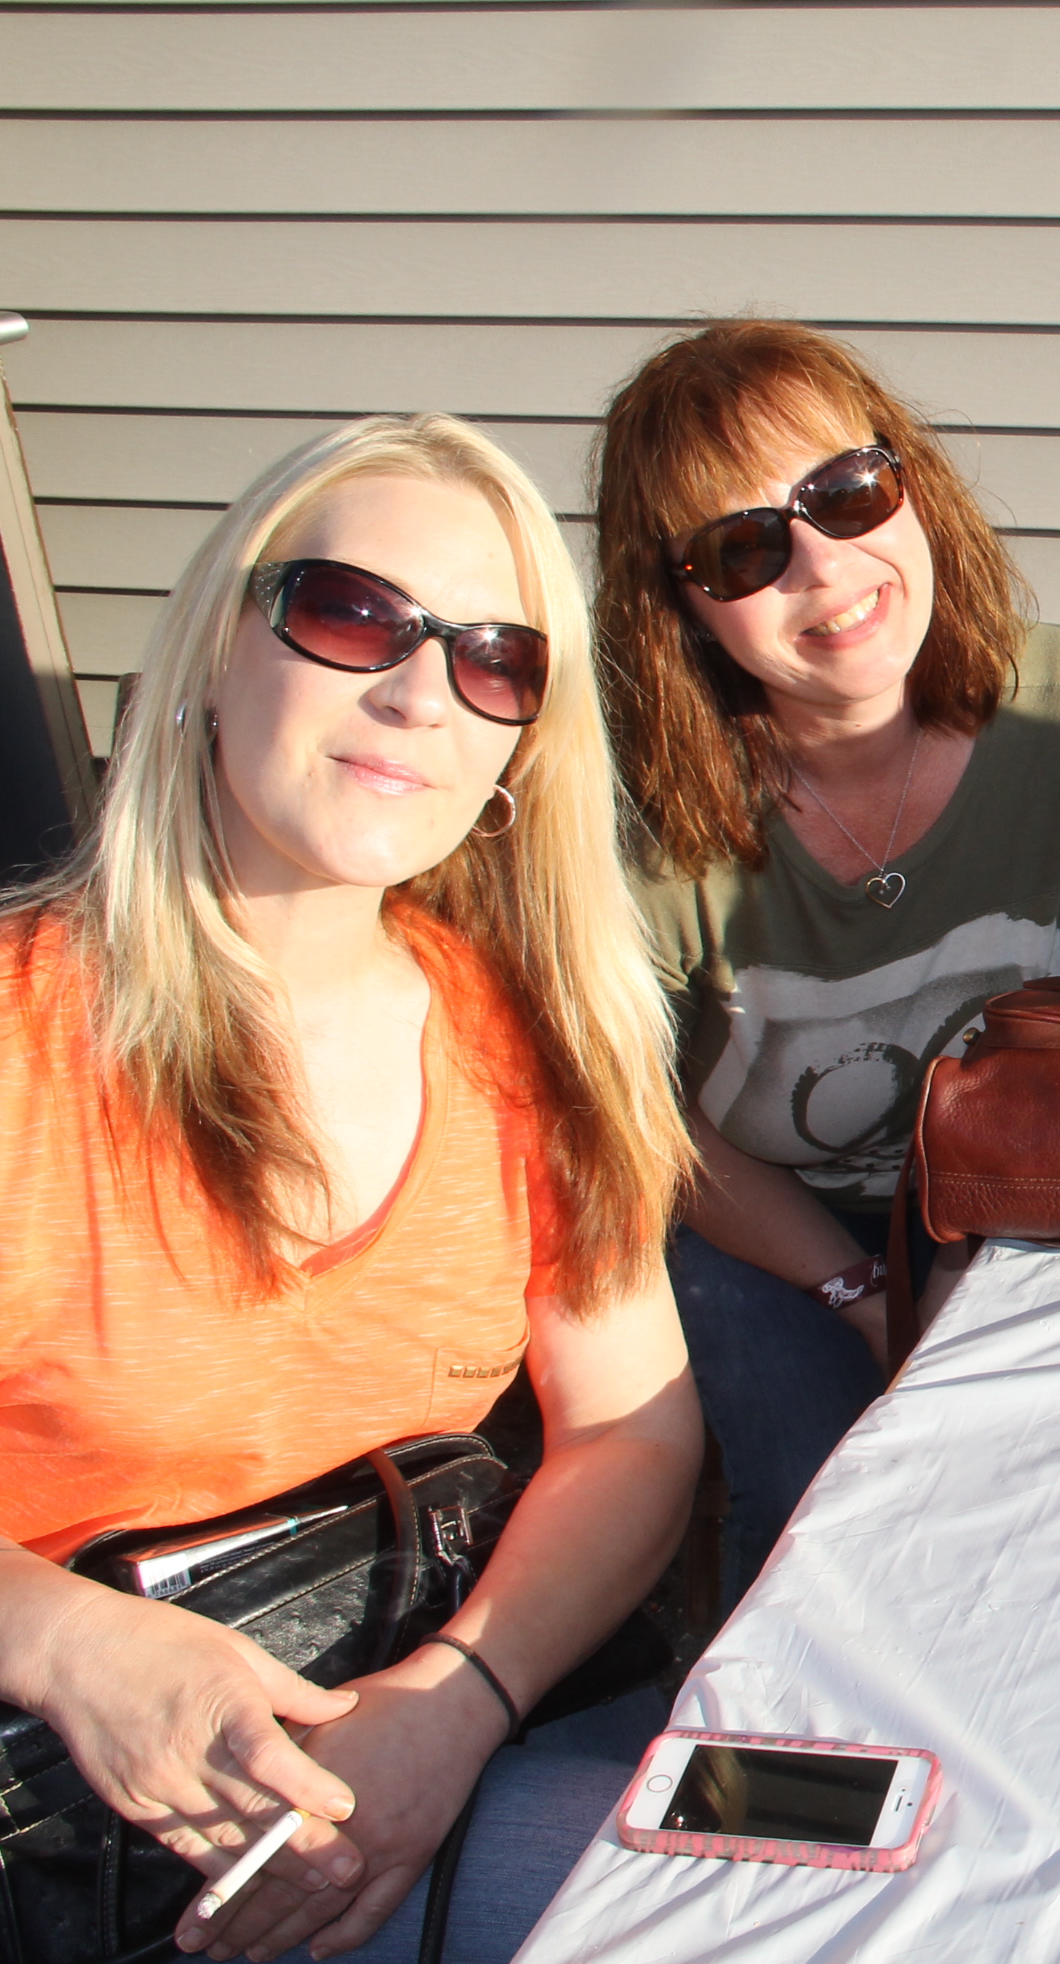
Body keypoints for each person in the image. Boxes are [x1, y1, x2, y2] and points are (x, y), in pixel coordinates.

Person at [0, 416, 700, 1963]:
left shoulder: (530, 1035)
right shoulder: (20, 1040)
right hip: (68, 1822)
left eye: (496, 659)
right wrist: (61, 1642)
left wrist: (458, 1703)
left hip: (439, 1707)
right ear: (214, 646)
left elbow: (629, 1428)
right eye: (351, 613)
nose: (418, 693)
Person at [593, 322, 1060, 1603]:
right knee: (825, 1514)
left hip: (1017, 1184)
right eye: (743, 548)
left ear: (909, 481)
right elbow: (649, 1127)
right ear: (679, 607)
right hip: (752, 1218)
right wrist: (871, 1295)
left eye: (847, 491)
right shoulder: (630, 824)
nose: (824, 564)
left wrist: (1000, 1240)